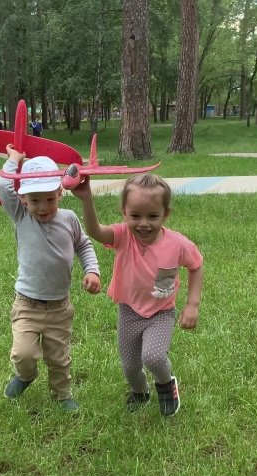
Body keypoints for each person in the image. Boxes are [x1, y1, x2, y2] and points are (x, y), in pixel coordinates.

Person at [72, 174, 204, 417]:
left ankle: (166, 384)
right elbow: (94, 230)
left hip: (161, 312)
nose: (143, 224)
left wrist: (192, 304)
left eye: (152, 216)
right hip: (129, 310)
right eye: (135, 216)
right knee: (131, 366)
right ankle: (139, 391)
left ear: (166, 215)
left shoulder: (178, 244)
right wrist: (86, 199)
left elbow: (196, 265)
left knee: (153, 357)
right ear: (124, 212)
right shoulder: (123, 236)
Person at [0, 145, 101, 412]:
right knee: (24, 354)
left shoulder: (69, 219)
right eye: (35, 201)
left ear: (60, 193)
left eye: (49, 199)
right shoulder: (21, 218)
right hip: (27, 305)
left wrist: (92, 270)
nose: (43, 208)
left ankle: (61, 394)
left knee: (58, 357)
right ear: (23, 200)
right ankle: (25, 375)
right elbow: (3, 186)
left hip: (59, 307)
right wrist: (13, 161)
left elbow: (84, 246)